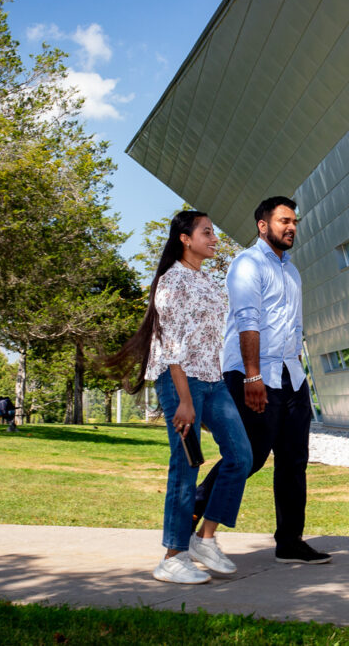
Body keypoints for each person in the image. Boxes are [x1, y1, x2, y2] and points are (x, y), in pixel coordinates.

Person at [106, 210, 252, 584]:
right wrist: (185, 400)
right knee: (186, 465)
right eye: (207, 232)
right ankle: (172, 557)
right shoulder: (172, 282)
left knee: (242, 455)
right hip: (179, 382)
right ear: (185, 238)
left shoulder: (206, 281)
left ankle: (204, 538)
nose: (214, 238)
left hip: (212, 380)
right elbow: (172, 347)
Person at [195, 196, 330, 564]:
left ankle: (290, 541)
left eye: (294, 222)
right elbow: (247, 321)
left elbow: (293, 326)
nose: (291, 227)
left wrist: (298, 370)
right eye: (284, 221)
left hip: (290, 376)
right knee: (249, 456)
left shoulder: (292, 271)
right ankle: (192, 511)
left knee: (293, 460)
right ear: (262, 225)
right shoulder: (247, 264)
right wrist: (253, 376)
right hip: (252, 374)